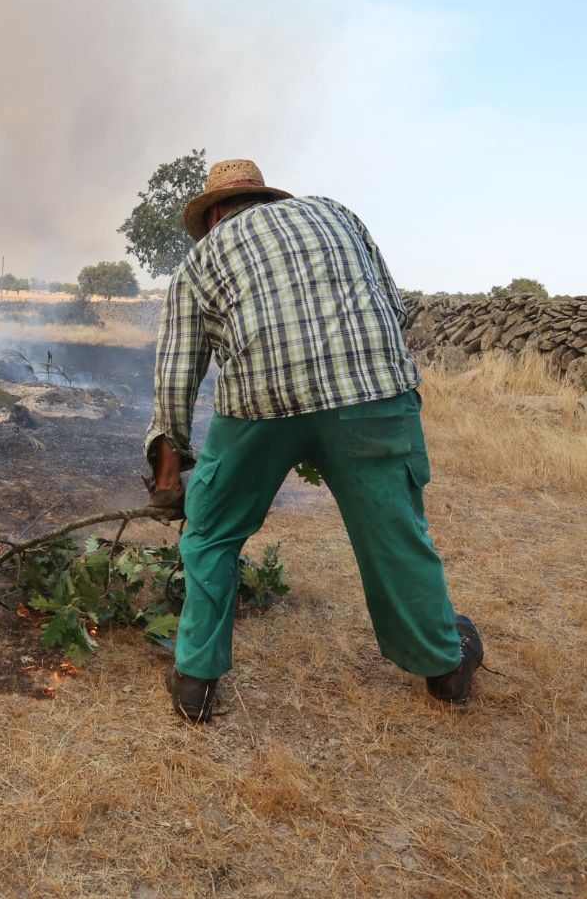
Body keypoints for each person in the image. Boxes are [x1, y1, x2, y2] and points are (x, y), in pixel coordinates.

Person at [145, 158, 483, 723]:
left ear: (216, 214)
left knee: (210, 534)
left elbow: (178, 372)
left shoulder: (201, 257)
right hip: (371, 394)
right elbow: (391, 305)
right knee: (395, 532)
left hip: (261, 402)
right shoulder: (337, 215)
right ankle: (445, 668)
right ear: (266, 199)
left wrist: (168, 472)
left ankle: (194, 683)